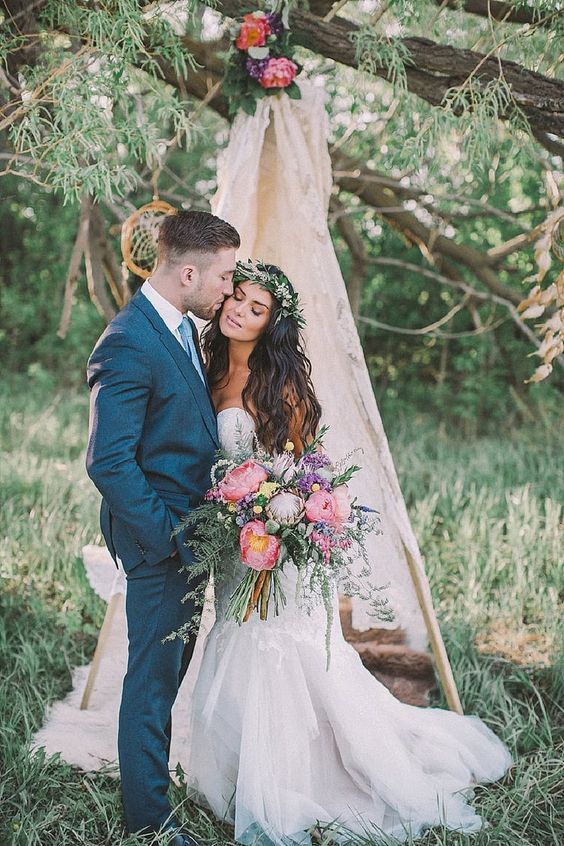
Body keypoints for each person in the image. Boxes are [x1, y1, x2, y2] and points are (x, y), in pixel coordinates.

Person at [185, 260, 512, 846]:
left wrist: (281, 517)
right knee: (233, 637)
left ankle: (294, 779)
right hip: (231, 544)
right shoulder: (205, 367)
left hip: (276, 546)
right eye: (237, 299)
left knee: (276, 649)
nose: (239, 311)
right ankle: (235, 771)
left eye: (257, 309)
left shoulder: (278, 385)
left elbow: (304, 470)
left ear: (271, 324)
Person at [86, 210, 240, 846]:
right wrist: (173, 537)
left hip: (187, 534)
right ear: (187, 272)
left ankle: (152, 787)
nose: (230, 290)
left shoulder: (177, 329)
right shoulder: (128, 340)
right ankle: (149, 824)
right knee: (151, 681)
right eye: (225, 277)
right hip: (159, 540)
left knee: (168, 670)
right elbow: (108, 462)